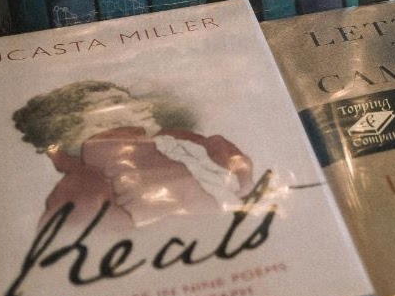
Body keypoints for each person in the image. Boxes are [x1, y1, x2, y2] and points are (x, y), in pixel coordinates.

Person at [13, 80, 255, 236]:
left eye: (129, 98)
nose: (142, 106)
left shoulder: (179, 142)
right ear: (77, 122)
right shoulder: (84, 185)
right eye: (117, 102)